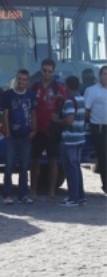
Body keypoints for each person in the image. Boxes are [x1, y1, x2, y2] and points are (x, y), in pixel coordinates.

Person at [0, 69, 37, 205]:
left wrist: (34, 130)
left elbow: (33, 113)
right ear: (16, 79)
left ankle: (23, 195)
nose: (21, 82)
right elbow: (6, 114)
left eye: (24, 79)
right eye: (19, 79)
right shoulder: (8, 95)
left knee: (24, 166)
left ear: (28, 81)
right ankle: (7, 194)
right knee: (9, 166)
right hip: (12, 136)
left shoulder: (31, 95)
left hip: (26, 136)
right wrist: (7, 133)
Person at [29, 58, 66, 202]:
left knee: (53, 161)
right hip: (37, 128)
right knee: (34, 161)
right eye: (44, 70)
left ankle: (52, 191)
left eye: (50, 71)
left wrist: (61, 99)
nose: (47, 73)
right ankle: (32, 189)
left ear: (53, 72)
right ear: (41, 70)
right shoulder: (34, 87)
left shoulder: (59, 88)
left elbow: (66, 104)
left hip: (52, 129)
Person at [55, 75, 86, 207]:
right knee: (76, 168)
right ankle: (81, 196)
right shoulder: (81, 99)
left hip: (69, 140)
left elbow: (68, 120)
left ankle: (73, 198)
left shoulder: (69, 102)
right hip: (80, 138)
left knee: (70, 169)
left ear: (67, 86)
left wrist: (56, 120)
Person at [82, 65, 107, 194]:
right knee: (103, 158)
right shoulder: (92, 91)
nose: (106, 77)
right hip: (99, 128)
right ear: (99, 76)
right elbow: (86, 110)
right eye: (104, 74)